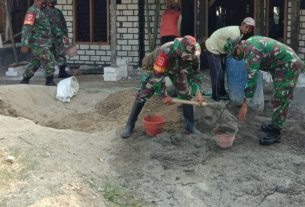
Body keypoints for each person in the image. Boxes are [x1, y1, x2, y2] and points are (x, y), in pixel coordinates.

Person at [121, 35, 204, 138]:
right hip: (155, 68)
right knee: (143, 94)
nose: (188, 58)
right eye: (185, 56)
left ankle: (190, 126)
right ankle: (130, 125)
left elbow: (194, 74)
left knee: (186, 94)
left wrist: (198, 92)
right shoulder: (166, 50)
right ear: (179, 50)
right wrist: (164, 95)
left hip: (177, 69)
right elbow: (158, 76)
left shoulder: (195, 52)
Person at [233, 36, 305, 145]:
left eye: (235, 53)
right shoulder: (249, 44)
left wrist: (245, 104)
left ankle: (276, 132)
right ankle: (275, 124)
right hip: (280, 66)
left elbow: (251, 79)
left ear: (238, 46)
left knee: (281, 99)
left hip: (289, 65)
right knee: (278, 97)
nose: (235, 56)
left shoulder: (251, 50)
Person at [204, 17, 255, 101]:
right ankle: (215, 96)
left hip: (220, 47)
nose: (247, 30)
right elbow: (228, 48)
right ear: (242, 24)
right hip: (213, 47)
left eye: (250, 29)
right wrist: (235, 54)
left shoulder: (240, 32)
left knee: (222, 71)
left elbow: (231, 45)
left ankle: (222, 92)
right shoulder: (235, 33)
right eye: (246, 27)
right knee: (217, 73)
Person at [20, 0, 57, 86]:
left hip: (45, 42)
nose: (44, 1)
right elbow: (27, 28)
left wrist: (60, 35)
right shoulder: (32, 11)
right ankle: (49, 81)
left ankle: (25, 79)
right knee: (49, 59)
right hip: (37, 43)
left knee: (35, 62)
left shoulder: (43, 10)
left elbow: (49, 26)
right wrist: (24, 44)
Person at [45, 0, 70, 78]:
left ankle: (62, 72)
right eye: (49, 1)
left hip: (58, 39)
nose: (51, 3)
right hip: (47, 39)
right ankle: (49, 76)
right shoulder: (42, 12)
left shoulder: (58, 12)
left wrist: (66, 36)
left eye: (52, 1)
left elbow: (63, 25)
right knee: (48, 57)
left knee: (61, 55)